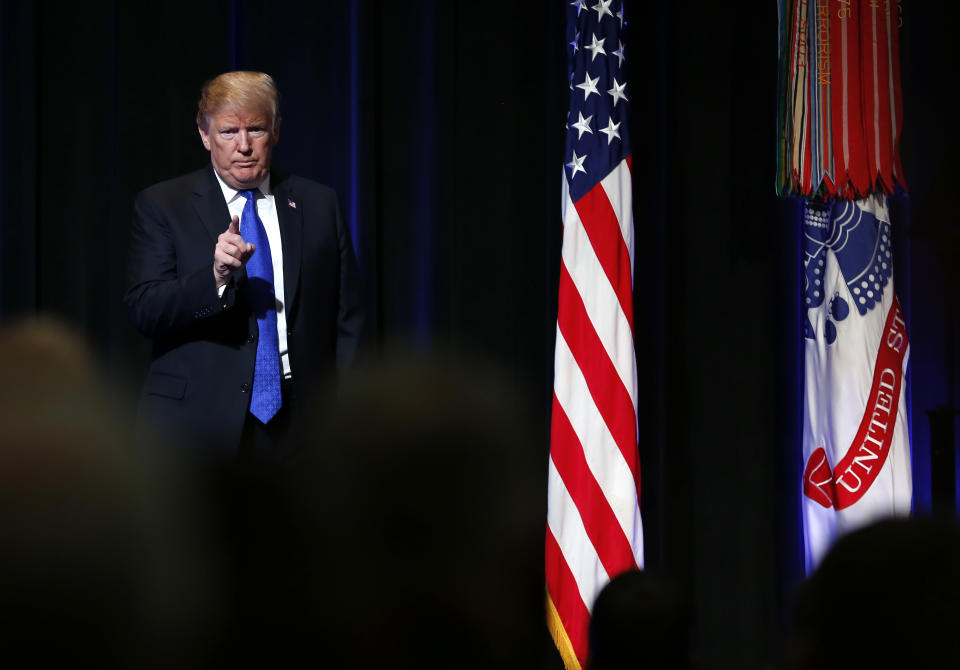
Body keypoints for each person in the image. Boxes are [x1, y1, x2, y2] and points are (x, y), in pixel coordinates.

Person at [125, 70, 364, 461]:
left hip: (301, 427)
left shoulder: (319, 203)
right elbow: (146, 311)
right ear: (204, 135)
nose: (244, 146)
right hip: (197, 428)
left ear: (276, 130)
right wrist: (215, 278)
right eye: (228, 132)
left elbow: (348, 319)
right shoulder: (164, 205)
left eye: (255, 130)